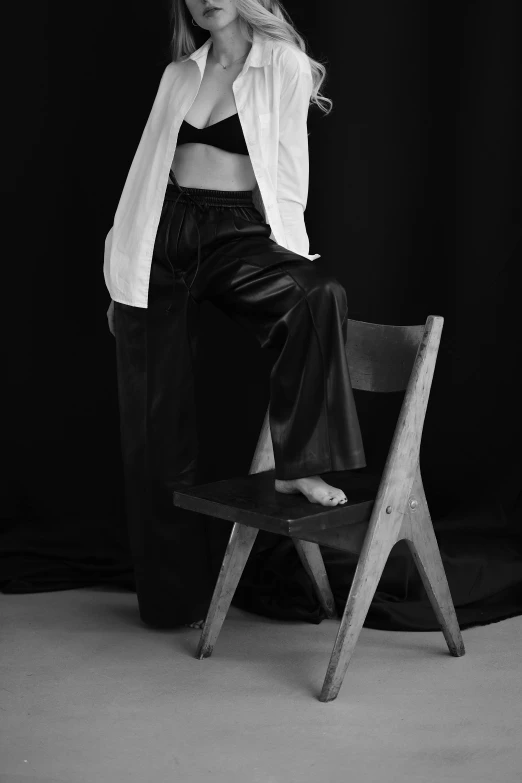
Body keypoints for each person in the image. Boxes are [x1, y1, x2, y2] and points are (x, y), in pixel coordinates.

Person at [104, 0, 366, 628]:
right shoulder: (180, 75)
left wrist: (291, 256)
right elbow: (144, 175)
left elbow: (289, 176)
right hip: (161, 236)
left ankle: (300, 465)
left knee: (315, 295)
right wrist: (119, 275)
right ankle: (172, 603)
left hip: (236, 233)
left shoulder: (285, 66)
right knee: (153, 426)